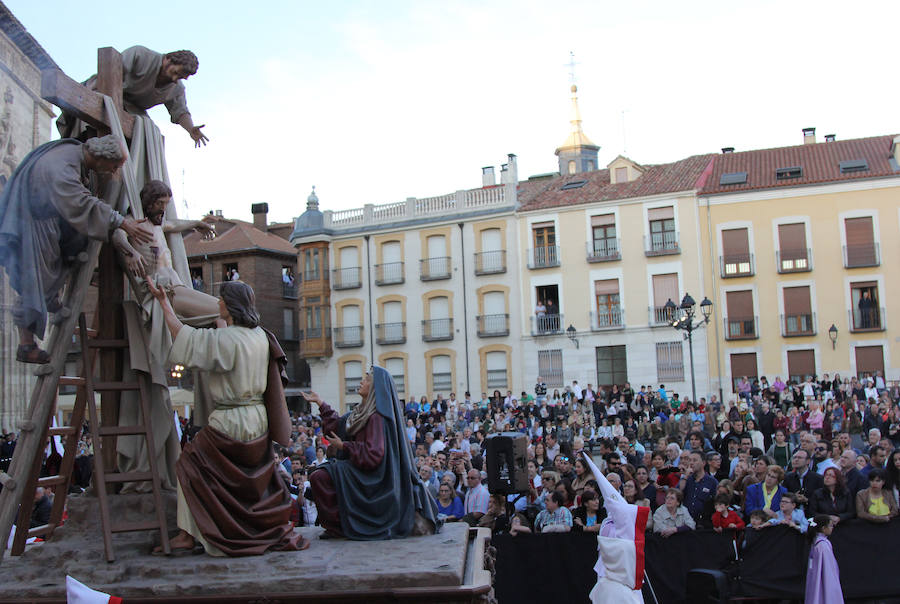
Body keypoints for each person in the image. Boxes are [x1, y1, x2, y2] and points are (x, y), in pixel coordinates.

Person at [147, 278, 306, 555]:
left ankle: (187, 534)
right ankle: (244, 526)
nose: (217, 303)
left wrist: (163, 303)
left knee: (189, 463)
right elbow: (228, 345)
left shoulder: (224, 339)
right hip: (258, 418)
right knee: (246, 479)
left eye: (221, 299)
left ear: (230, 305)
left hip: (230, 419)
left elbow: (183, 336)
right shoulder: (259, 335)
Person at [0, 135, 154, 363]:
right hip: (34, 223)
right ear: (101, 158)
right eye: (113, 167)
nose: (112, 173)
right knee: (36, 282)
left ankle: (51, 299)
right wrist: (122, 222)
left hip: (48, 220)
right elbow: (81, 202)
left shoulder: (74, 152)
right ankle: (26, 345)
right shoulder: (62, 167)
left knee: (70, 250)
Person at [305, 367, 440, 539]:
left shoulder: (376, 418)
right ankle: (338, 526)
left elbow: (374, 455)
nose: (362, 382)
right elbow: (339, 426)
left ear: (376, 387)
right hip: (359, 468)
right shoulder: (360, 412)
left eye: (367, 379)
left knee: (320, 477)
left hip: (374, 477)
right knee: (318, 474)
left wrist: (345, 447)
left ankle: (339, 527)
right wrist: (321, 404)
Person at [58, 47, 209, 147]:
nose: (176, 79)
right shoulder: (141, 56)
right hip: (104, 90)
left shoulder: (176, 88)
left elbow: (180, 111)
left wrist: (191, 129)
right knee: (92, 131)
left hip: (133, 110)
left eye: (180, 77)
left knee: (152, 137)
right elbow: (112, 72)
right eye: (175, 73)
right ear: (168, 59)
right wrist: (102, 99)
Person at [804, 515, 844, 604]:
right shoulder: (823, 545)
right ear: (823, 528)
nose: (832, 528)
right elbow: (828, 570)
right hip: (825, 581)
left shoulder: (817, 542)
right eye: (830, 525)